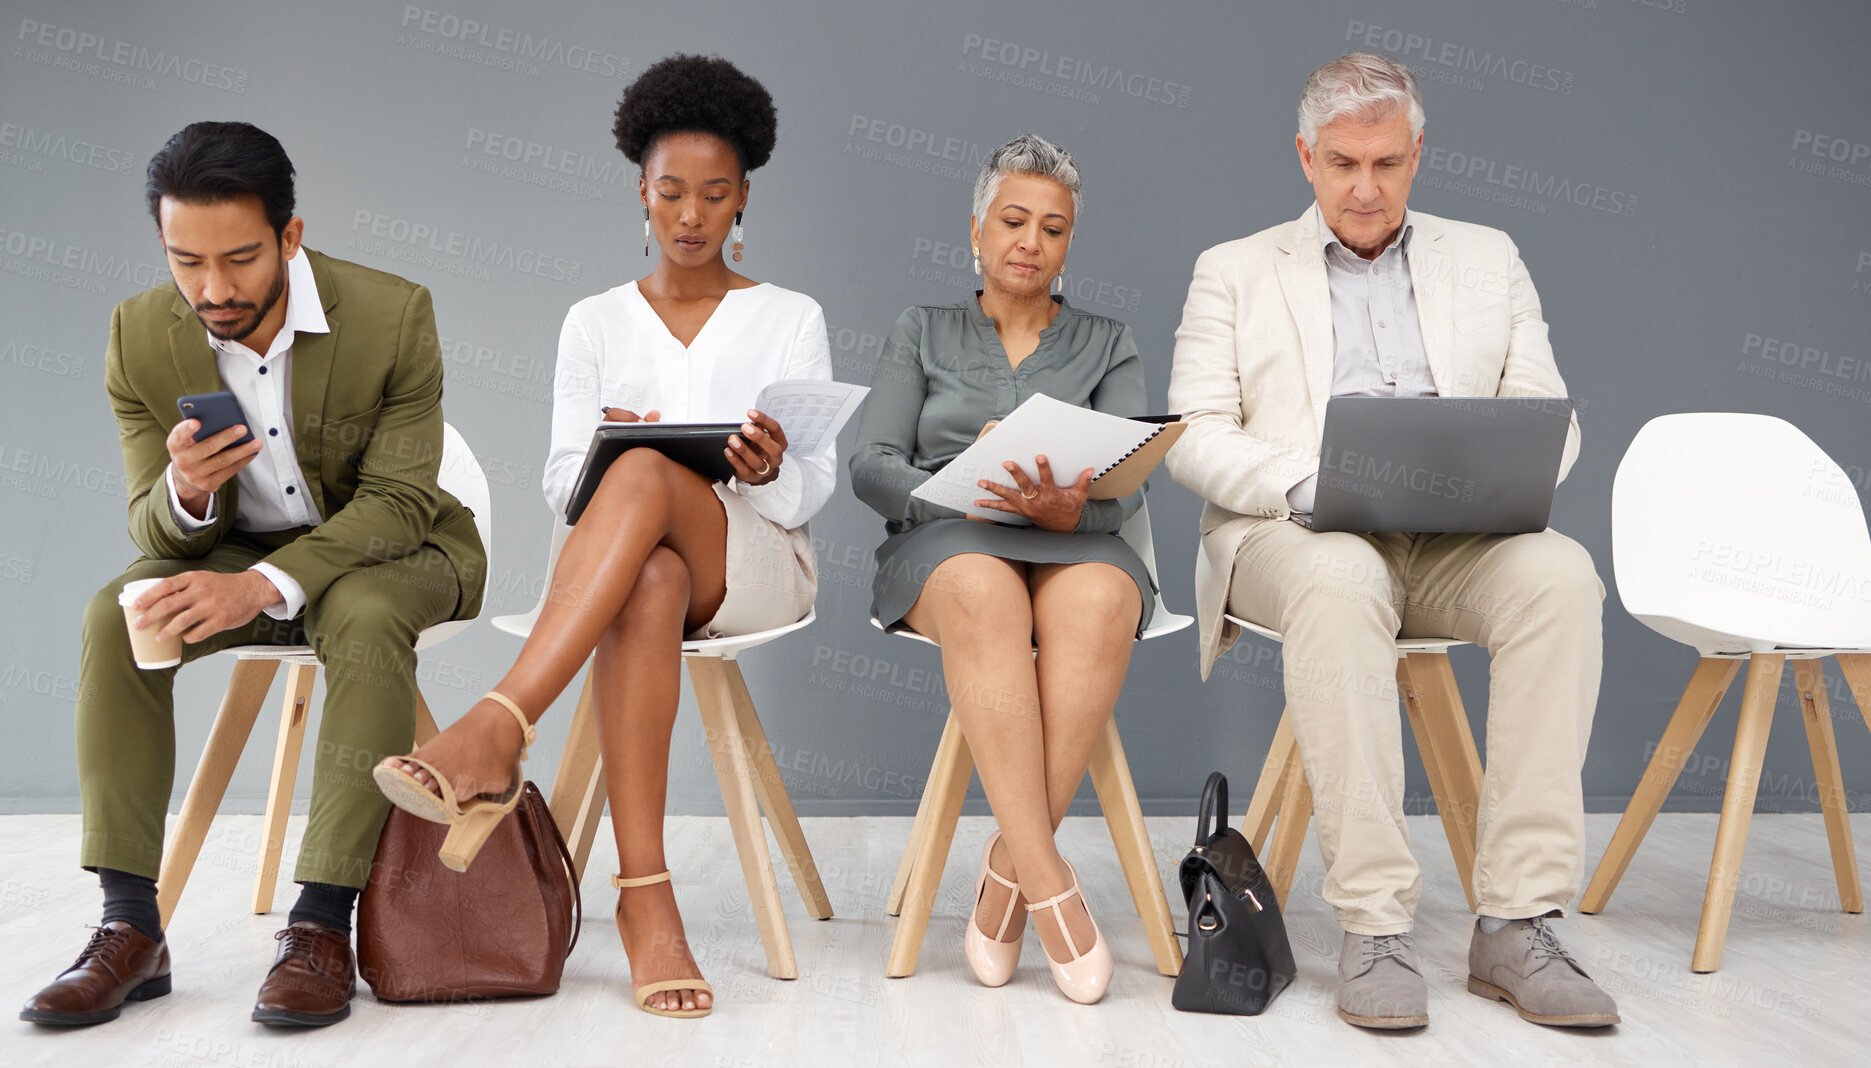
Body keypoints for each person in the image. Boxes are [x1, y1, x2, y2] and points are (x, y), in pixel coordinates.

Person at [1164, 53, 1618, 1031]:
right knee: (1336, 576)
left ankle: (1515, 921)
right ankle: (1373, 927)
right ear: (1303, 157)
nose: (1362, 188)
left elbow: (1546, 410)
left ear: (1416, 154)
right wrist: (1306, 481)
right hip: (1298, 533)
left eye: (1384, 163)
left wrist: (1496, 476)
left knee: (1561, 578)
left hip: (1453, 535)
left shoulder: (1486, 256)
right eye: (1339, 164)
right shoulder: (1234, 269)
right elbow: (1191, 432)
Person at [373, 54, 830, 1020]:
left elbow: (809, 492)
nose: (692, 216)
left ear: (745, 196)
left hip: (752, 561)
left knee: (646, 478)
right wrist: (605, 466)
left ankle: (497, 724)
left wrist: (764, 469)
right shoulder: (592, 321)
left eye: (714, 195)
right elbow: (556, 485)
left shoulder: (791, 317)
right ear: (641, 192)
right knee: (647, 572)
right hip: (624, 567)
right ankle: (645, 900)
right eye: (672, 193)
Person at [20, 122, 486, 1029]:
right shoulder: (139, 334)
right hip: (233, 550)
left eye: (238, 259)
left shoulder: (393, 314)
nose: (212, 289)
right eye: (185, 260)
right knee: (117, 615)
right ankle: (129, 928)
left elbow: (396, 499)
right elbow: (146, 522)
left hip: (396, 550)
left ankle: (320, 925)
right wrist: (185, 493)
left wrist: (263, 587)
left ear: (290, 236)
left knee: (359, 613)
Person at [850, 133, 1153, 1006]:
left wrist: (1070, 509)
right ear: (976, 229)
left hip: (1073, 542)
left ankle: (1008, 863)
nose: (1030, 241)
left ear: (1067, 245)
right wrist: (958, 490)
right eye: (1013, 220)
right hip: (947, 542)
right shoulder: (923, 329)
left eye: (1052, 228)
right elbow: (872, 466)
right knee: (985, 588)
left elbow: (1125, 487)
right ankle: (1051, 887)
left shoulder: (1108, 341)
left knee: (1101, 596)